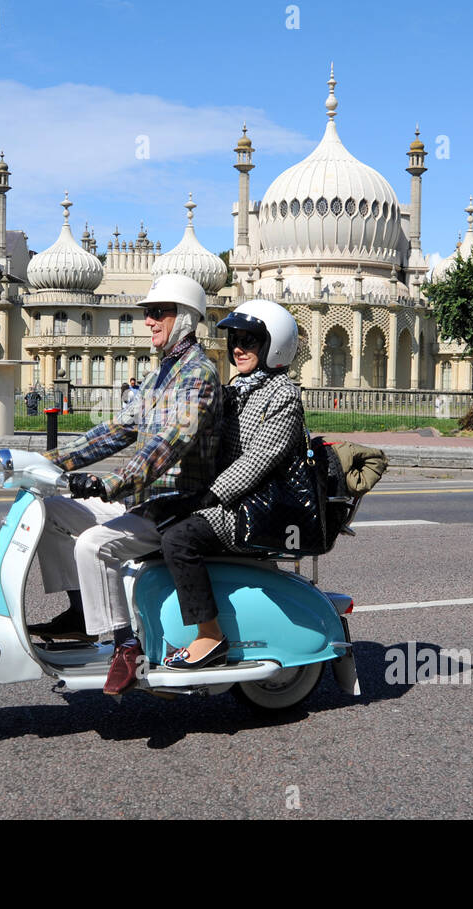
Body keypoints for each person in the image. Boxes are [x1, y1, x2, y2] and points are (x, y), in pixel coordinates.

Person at [29, 273, 221, 695]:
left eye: (158, 313)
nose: (148, 321)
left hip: (176, 506)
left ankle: (125, 645)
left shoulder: (199, 375)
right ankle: (82, 614)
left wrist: (113, 483)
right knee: (48, 512)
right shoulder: (158, 377)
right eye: (147, 313)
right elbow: (114, 431)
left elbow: (173, 442)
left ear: (185, 318)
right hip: (143, 501)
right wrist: (47, 461)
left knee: (94, 545)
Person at [159, 299, 304, 669]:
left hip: (249, 508)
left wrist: (210, 496)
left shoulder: (282, 393)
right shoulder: (237, 387)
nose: (238, 347)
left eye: (250, 340)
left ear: (275, 346)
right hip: (222, 499)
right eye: (236, 339)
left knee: (178, 538)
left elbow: (262, 457)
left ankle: (210, 636)